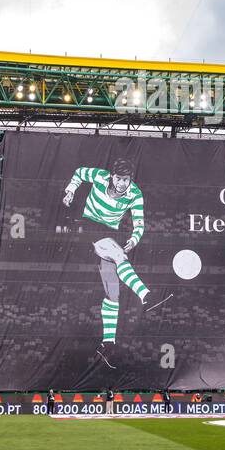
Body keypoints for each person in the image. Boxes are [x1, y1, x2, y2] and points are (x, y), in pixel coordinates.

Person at [63, 158, 172, 370]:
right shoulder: (99, 176)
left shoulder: (135, 194)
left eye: (127, 180)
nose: (123, 183)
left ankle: (108, 343)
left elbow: (140, 224)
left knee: (113, 292)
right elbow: (78, 172)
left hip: (110, 231)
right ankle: (146, 296)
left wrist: (134, 239)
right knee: (118, 254)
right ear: (112, 176)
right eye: (120, 179)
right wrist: (71, 190)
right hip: (88, 225)